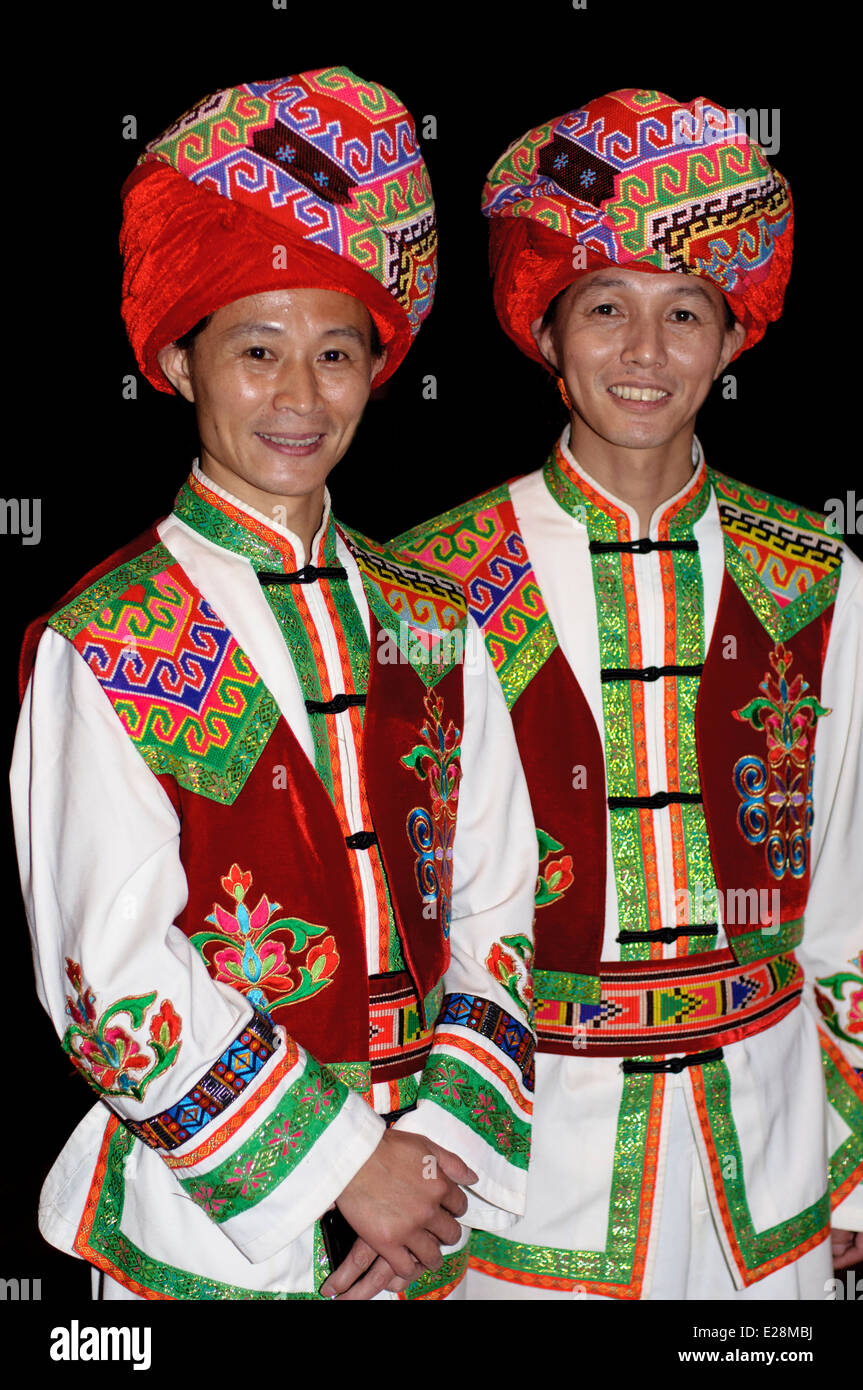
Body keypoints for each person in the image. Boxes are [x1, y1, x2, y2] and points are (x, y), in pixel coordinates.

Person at [10, 66, 537, 1302]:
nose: (299, 397)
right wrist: (346, 1165)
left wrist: (429, 1157)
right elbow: (107, 968)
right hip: (203, 1229)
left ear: (375, 368)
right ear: (179, 361)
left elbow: (499, 898)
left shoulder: (428, 618)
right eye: (256, 351)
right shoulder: (114, 634)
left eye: (335, 353)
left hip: (427, 1212)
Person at [393, 88, 862, 1299]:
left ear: (730, 340)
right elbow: (406, 909)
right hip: (516, 1167)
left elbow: (848, 885)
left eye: (683, 312)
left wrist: (852, 1160)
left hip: (768, 1158)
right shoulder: (429, 581)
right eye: (605, 308)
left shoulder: (812, 574)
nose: (644, 353)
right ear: (546, 333)